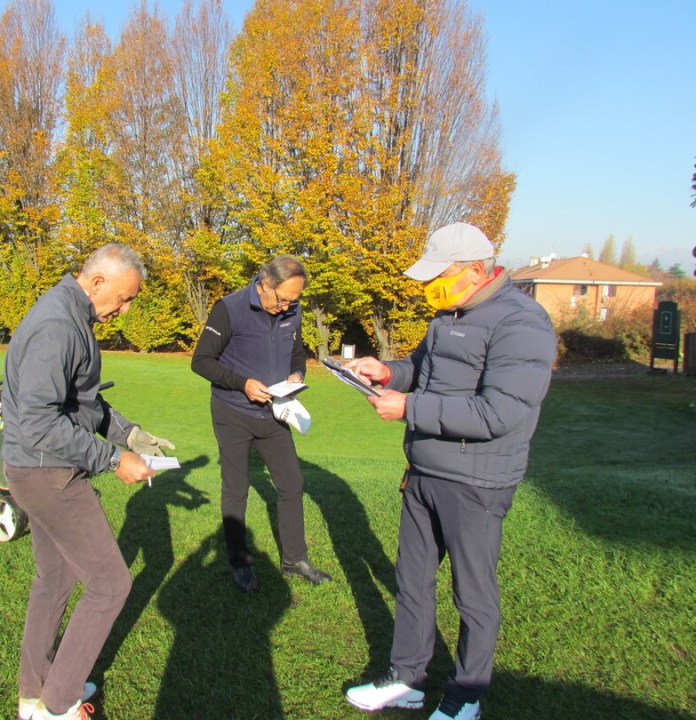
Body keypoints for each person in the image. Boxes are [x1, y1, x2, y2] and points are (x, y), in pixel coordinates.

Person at [343, 223, 556, 720]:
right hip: (424, 470)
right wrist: (387, 371)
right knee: (412, 581)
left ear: (476, 270)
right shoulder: (447, 316)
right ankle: (407, 679)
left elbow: (499, 413)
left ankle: (466, 696)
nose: (431, 288)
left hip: (477, 482)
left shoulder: (522, 323)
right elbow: (422, 369)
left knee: (472, 594)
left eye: (440, 276)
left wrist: (409, 408)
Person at [1, 243, 175, 720]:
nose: (125, 310)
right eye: (123, 298)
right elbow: (39, 422)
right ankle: (58, 705)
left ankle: (36, 693)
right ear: (97, 282)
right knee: (110, 585)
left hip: (38, 469)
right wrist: (113, 458)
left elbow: (82, 402)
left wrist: (129, 435)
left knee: (55, 579)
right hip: (48, 474)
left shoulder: (70, 313)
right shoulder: (58, 325)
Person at [191, 254, 332, 593]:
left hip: (274, 413)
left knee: (291, 483)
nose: (286, 307)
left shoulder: (292, 309)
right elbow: (201, 361)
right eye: (282, 299)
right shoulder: (229, 308)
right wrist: (242, 384)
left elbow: (296, 353)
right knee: (236, 488)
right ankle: (240, 563)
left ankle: (295, 560)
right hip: (232, 412)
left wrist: (297, 373)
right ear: (264, 284)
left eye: (293, 301)